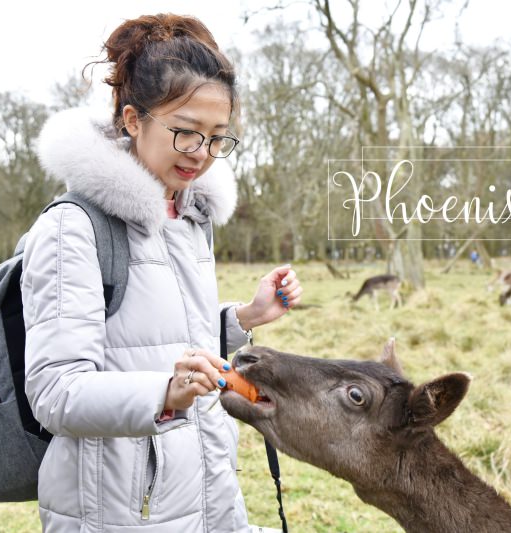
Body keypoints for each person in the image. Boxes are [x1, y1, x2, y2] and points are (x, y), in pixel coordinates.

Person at [21, 14, 302, 532]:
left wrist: (244, 316)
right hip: (117, 510)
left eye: (218, 138)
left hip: (207, 493)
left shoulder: (190, 217)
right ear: (132, 120)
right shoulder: (72, 228)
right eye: (186, 133)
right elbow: (55, 392)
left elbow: (159, 338)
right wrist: (163, 395)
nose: (202, 155)